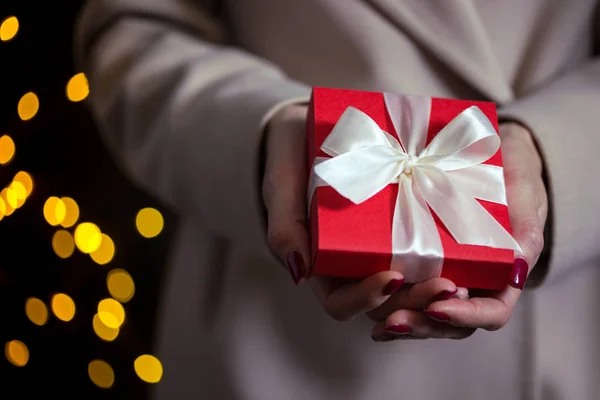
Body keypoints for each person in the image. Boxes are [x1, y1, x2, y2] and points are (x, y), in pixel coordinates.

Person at [75, 1, 600, 399]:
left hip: (570, 329)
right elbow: (134, 26)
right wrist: (261, 143)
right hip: (268, 333)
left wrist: (563, 161)